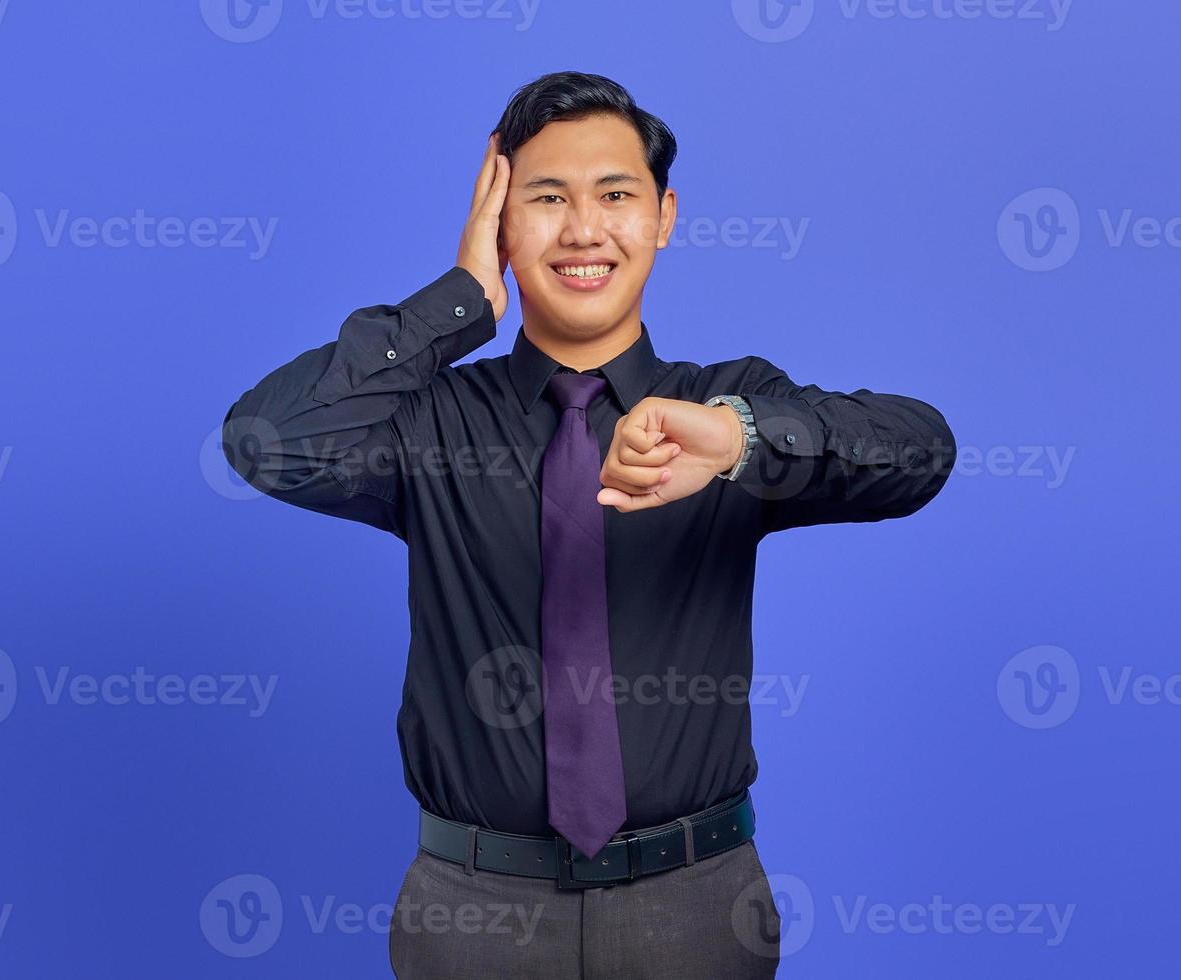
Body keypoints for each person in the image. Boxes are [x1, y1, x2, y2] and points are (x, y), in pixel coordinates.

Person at [221, 70, 956, 979]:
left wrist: (739, 438)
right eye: (546, 198)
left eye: (615, 196)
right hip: (474, 913)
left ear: (664, 216)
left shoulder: (725, 407)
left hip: (696, 905)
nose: (583, 230)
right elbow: (268, 442)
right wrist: (457, 300)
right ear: (499, 219)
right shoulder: (428, 424)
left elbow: (920, 452)